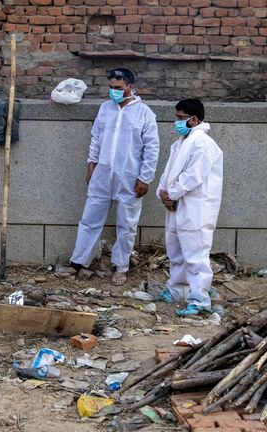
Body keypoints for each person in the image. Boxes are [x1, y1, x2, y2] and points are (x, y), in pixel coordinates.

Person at [56, 68, 160, 286]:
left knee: (126, 224)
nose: (114, 92)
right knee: (90, 219)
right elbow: (96, 138)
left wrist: (145, 178)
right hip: (102, 174)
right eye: (111, 88)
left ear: (130, 86)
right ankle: (78, 262)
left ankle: (121, 267)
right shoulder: (105, 109)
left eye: (118, 88)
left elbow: (152, 148)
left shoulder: (144, 114)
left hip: (130, 177)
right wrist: (91, 164)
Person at [156, 99, 223, 316]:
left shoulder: (203, 143)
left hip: (196, 207)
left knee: (195, 254)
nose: (176, 121)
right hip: (177, 205)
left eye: (180, 117)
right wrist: (163, 192)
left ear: (194, 120)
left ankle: (200, 299)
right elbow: (168, 174)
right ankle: (178, 290)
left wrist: (172, 193)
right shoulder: (180, 143)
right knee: (176, 250)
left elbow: (193, 176)